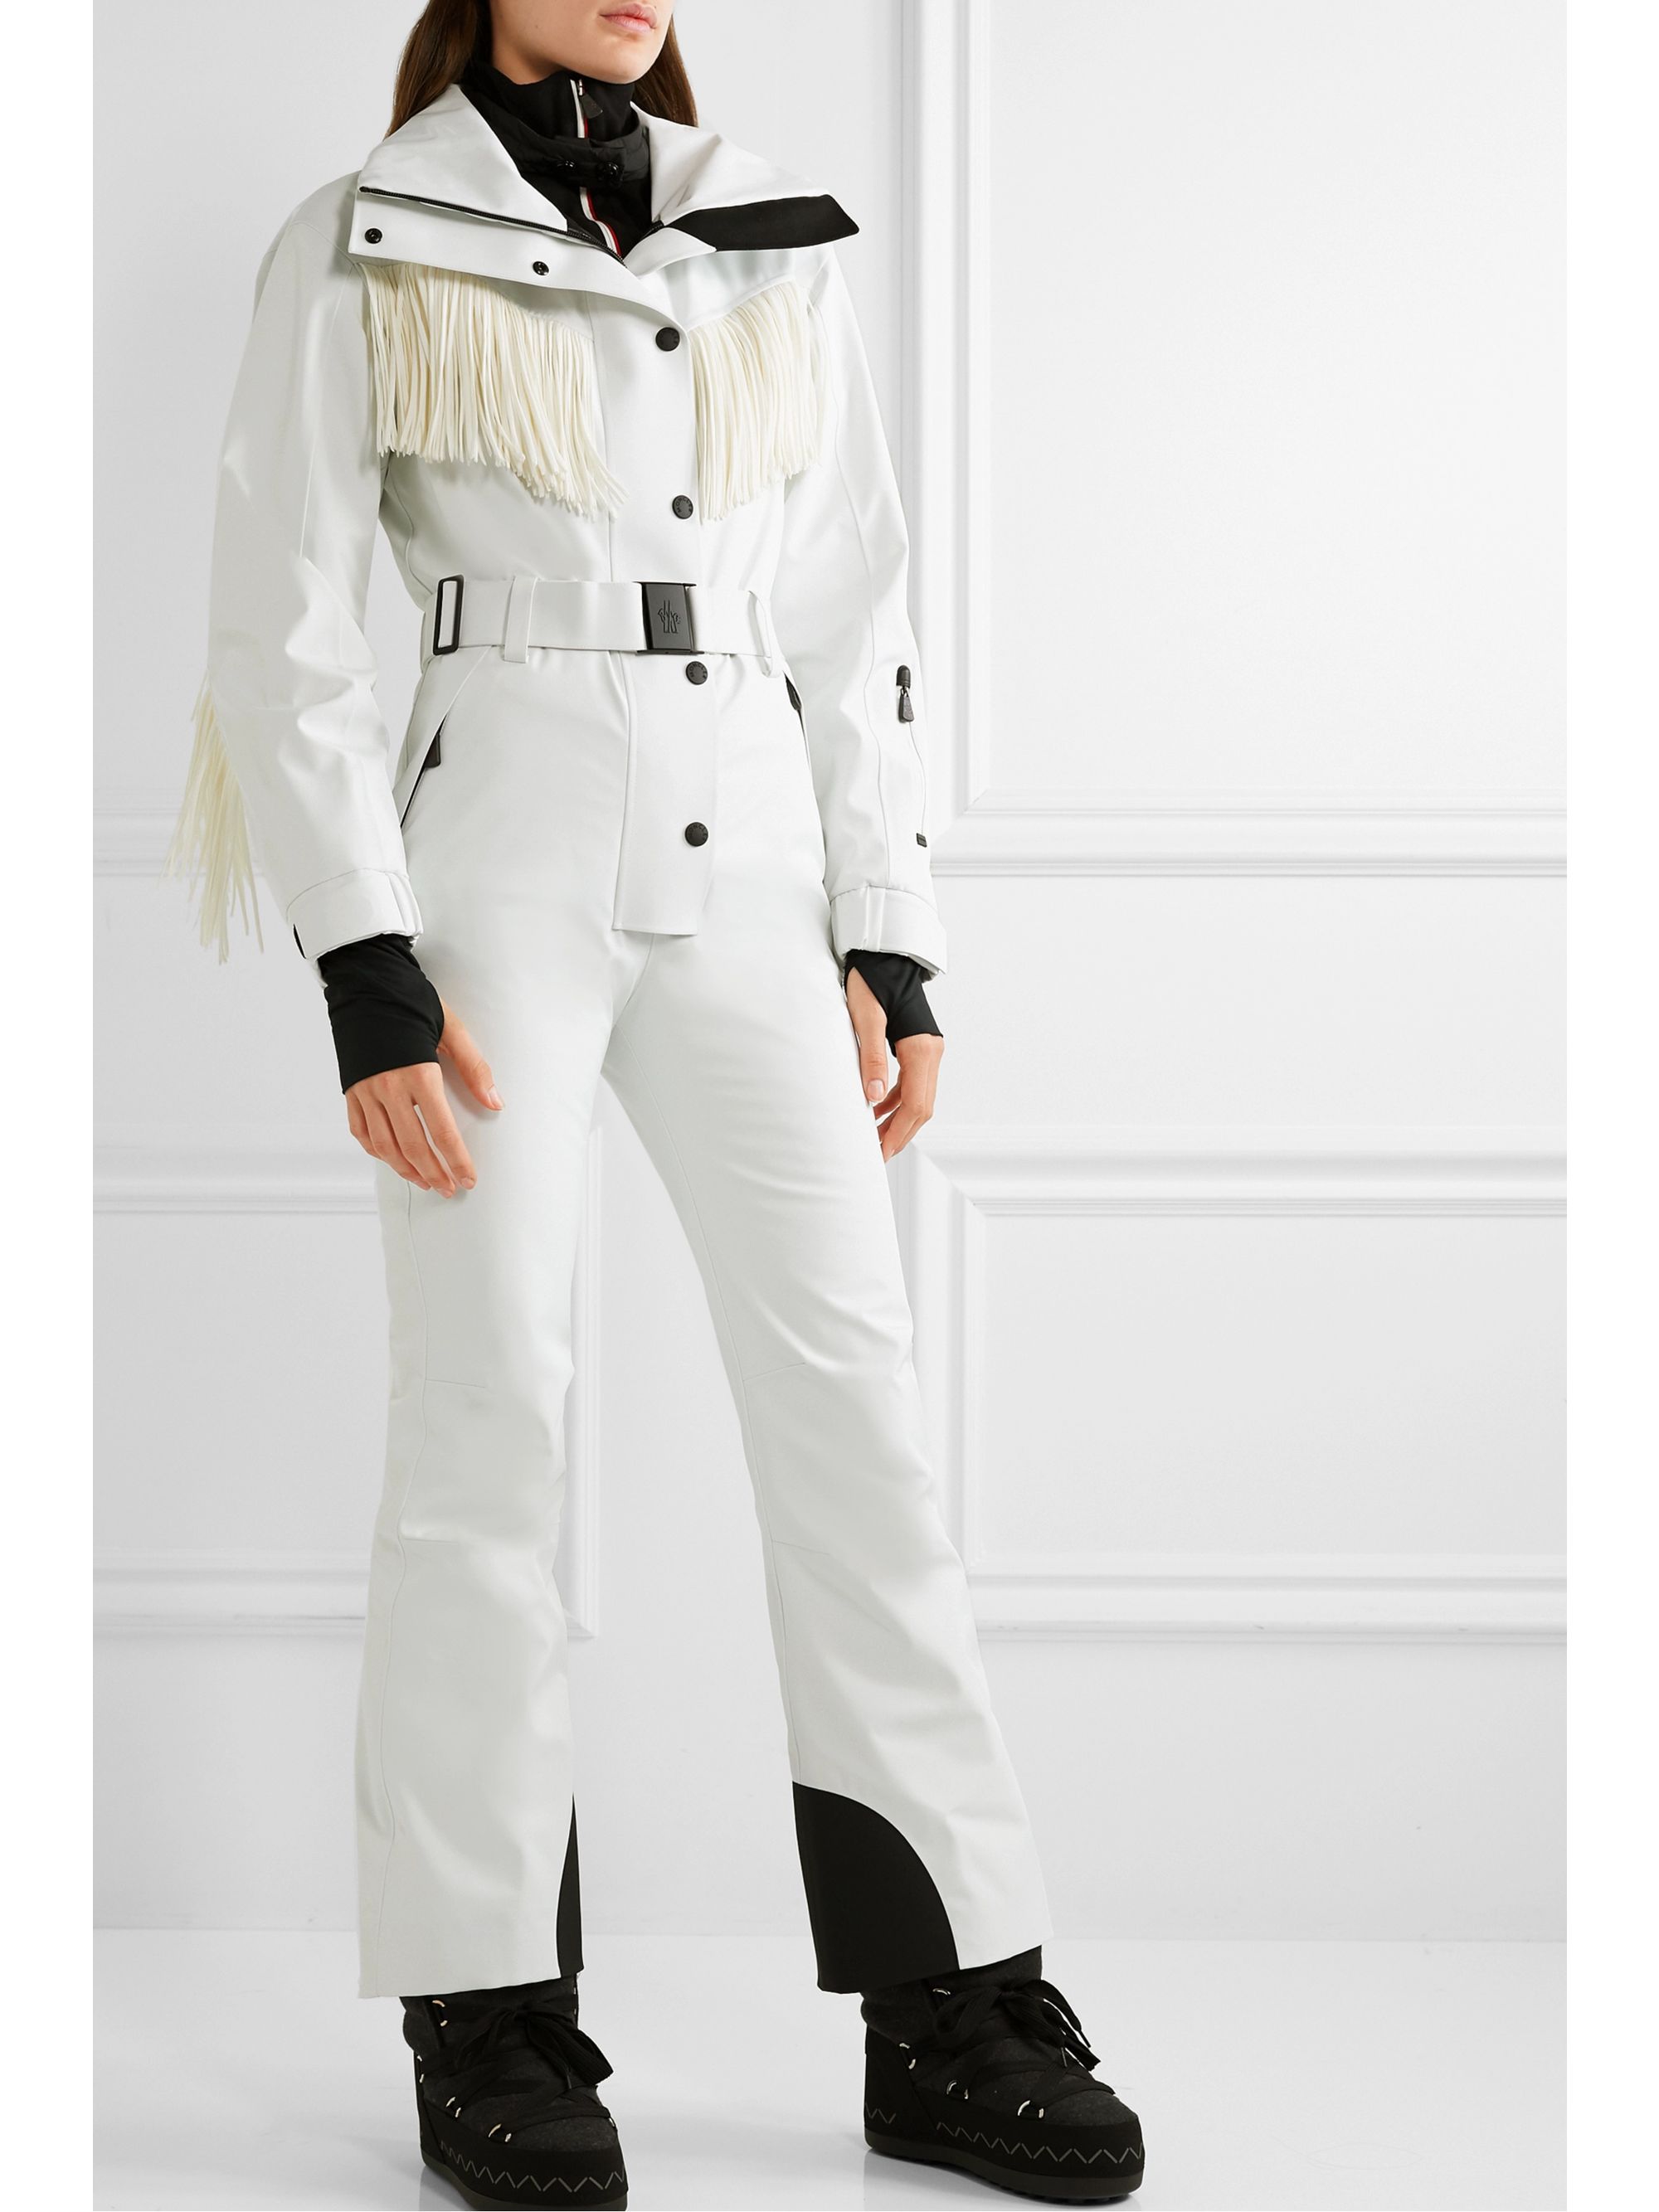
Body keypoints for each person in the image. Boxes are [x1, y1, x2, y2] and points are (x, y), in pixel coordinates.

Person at [170, 2, 1146, 2204]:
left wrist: (889, 930)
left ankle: (954, 1993)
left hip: (756, 857)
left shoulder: (766, 237)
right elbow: (283, 615)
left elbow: (851, 599)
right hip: (490, 864)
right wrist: (363, 959)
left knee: (856, 1407)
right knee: (485, 1416)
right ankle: (485, 2006)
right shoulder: (362, 234)